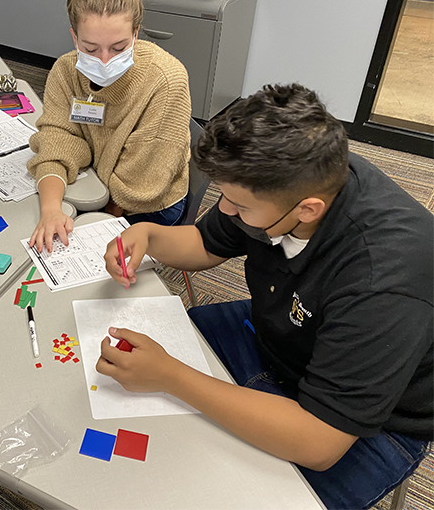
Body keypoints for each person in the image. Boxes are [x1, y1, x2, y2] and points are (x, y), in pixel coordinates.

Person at [100, 83, 433, 509]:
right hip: (282, 335)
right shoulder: (282, 180)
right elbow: (205, 244)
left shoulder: (384, 280)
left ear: (307, 210)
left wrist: (172, 376)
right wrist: (147, 234)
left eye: (238, 205)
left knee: (208, 491)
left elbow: (318, 441)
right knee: (137, 400)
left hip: (371, 420)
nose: (224, 210)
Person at [27, 0, 192, 252]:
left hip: (146, 205)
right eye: (90, 48)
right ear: (74, 37)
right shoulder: (66, 69)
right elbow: (58, 137)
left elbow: (144, 185)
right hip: (97, 183)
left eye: (118, 48)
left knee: (75, 257)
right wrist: (51, 209)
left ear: (136, 34)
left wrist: (91, 222)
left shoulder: (165, 80)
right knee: (36, 225)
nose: (104, 61)